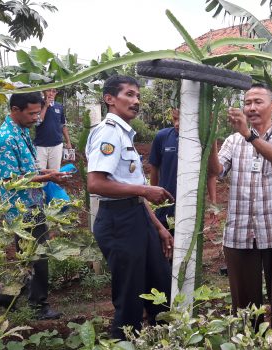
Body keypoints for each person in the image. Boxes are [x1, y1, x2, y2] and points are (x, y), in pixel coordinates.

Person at [85, 75, 174, 340]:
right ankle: (122, 343)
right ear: (109, 99)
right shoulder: (108, 132)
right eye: (129, 95)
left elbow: (132, 188)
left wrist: (158, 227)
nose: (136, 101)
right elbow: (96, 184)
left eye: (137, 96)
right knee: (130, 298)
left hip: (137, 216)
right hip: (118, 221)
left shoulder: (124, 132)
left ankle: (162, 343)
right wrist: (146, 190)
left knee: (161, 289)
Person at [208, 83, 272, 315]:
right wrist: (209, 138)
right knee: (245, 307)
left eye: (258, 102)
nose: (251, 107)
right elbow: (217, 171)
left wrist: (248, 135)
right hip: (240, 232)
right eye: (247, 103)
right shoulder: (232, 141)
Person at [0, 92, 67, 320]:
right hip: (21, 208)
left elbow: (28, 169)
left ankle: (7, 297)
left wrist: (47, 172)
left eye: (38, 112)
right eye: (32, 112)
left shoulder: (22, 131)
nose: (37, 117)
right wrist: (47, 179)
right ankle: (38, 306)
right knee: (39, 255)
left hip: (32, 201)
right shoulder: (6, 138)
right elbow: (10, 180)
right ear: (15, 110)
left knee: (27, 255)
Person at [149, 109, 179, 231]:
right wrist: (154, 197)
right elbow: (154, 168)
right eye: (175, 119)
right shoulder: (162, 137)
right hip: (165, 204)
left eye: (181, 119)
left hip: (190, 205)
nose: (177, 123)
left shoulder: (199, 140)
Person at [34, 88, 72, 170]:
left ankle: (52, 184)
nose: (51, 93)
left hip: (56, 145)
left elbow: (63, 125)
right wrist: (45, 106)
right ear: (44, 91)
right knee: (39, 173)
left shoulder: (59, 106)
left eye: (54, 91)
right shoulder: (38, 105)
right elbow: (38, 122)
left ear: (56, 93)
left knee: (55, 172)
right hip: (40, 146)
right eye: (48, 90)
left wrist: (68, 142)